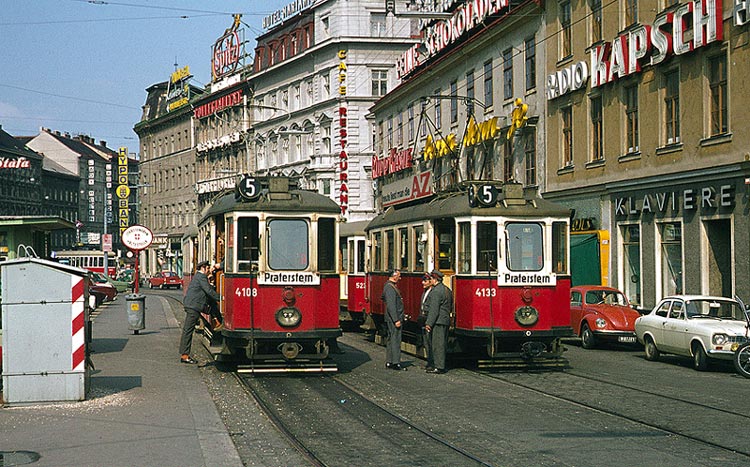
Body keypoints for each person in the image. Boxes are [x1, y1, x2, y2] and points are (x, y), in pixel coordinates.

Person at [179, 260, 221, 364]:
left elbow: (206, 290)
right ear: (203, 268)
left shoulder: (199, 277)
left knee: (187, 330)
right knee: (188, 331)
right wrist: (221, 298)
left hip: (193, 305)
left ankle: (218, 322)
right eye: (207, 268)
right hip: (194, 306)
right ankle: (185, 355)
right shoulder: (201, 277)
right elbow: (208, 291)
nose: (208, 270)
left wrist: (210, 281)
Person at [425, 269, 452, 374]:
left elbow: (434, 309)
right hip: (445, 320)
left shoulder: (436, 291)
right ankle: (440, 364)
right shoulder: (447, 290)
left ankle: (439, 366)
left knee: (437, 344)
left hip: (438, 321)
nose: (430, 280)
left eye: (431, 278)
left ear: (435, 279)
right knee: (442, 343)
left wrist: (429, 323)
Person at [382, 269, 407, 370]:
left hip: (392, 318)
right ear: (394, 276)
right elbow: (391, 306)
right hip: (393, 318)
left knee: (391, 339)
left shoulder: (390, 286)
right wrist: (396, 319)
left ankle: (390, 361)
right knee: (395, 339)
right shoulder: (390, 287)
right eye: (399, 276)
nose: (400, 278)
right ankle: (395, 362)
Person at [418, 273, 435, 370]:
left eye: (425, 281)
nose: (422, 283)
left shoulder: (432, 293)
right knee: (426, 342)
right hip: (424, 319)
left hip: (428, 319)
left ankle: (431, 363)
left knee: (429, 342)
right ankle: (429, 362)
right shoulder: (425, 292)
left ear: (430, 282)